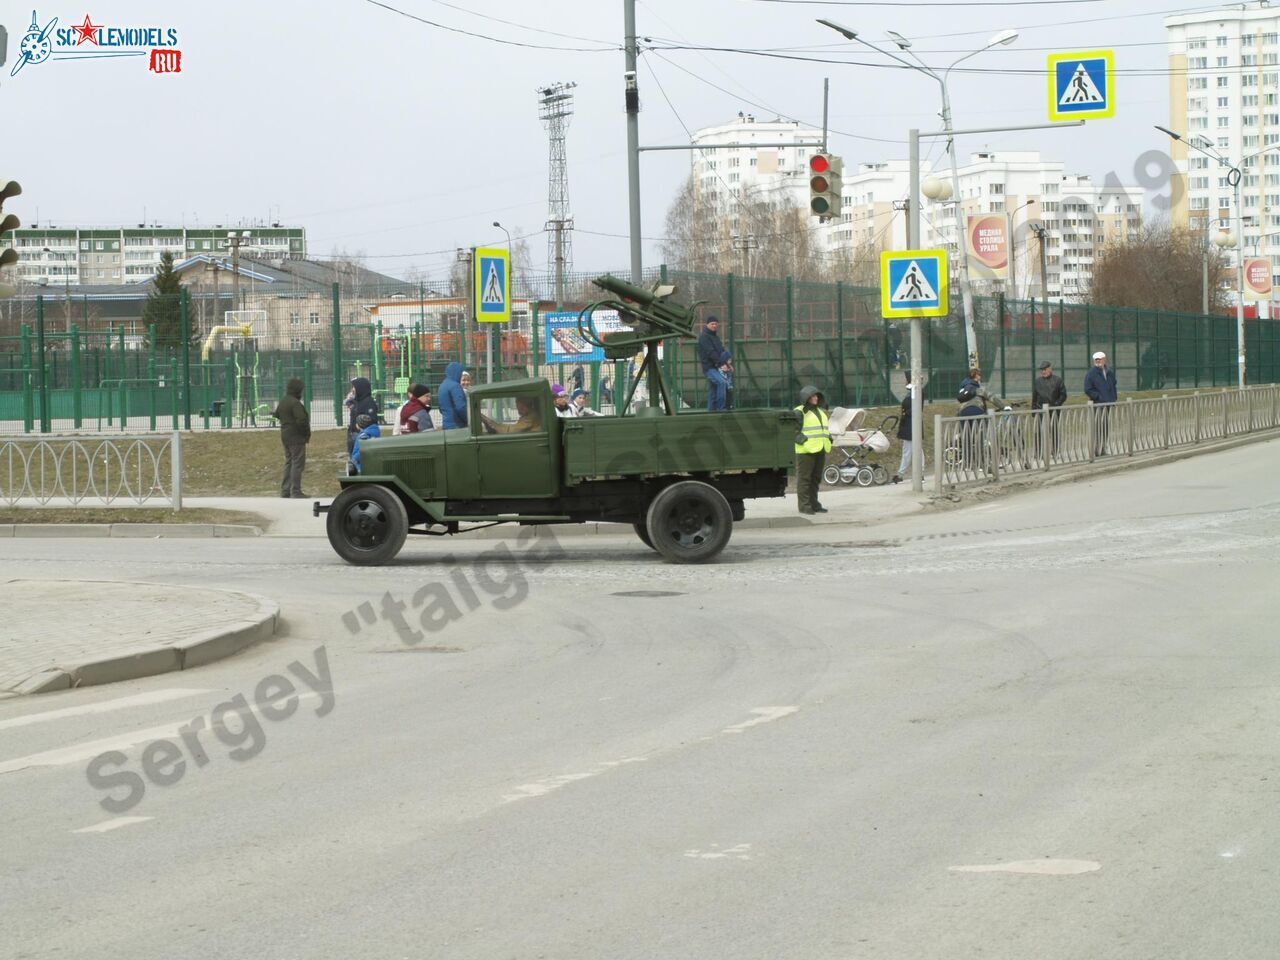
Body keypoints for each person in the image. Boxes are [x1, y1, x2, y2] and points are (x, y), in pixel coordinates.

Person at [793, 384, 832, 515]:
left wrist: (829, 438)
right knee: (804, 479)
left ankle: (814, 504)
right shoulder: (799, 412)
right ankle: (804, 506)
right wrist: (803, 441)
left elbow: (823, 429)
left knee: (815, 479)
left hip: (820, 449)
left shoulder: (821, 412)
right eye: (812, 396)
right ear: (806, 398)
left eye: (816, 396)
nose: (815, 398)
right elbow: (794, 430)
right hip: (806, 451)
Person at [272, 377, 311, 498]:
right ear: (298, 390)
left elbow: (277, 414)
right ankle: (296, 491)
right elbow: (302, 420)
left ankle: (285, 490)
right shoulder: (295, 403)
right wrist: (306, 433)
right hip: (296, 436)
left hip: (285, 435)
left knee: (289, 462)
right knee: (297, 463)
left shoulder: (284, 401)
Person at [1031, 360, 1067, 459]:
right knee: (1038, 432)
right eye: (1042, 370)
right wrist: (1033, 410)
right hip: (1040, 411)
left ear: (1050, 369)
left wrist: (1056, 405)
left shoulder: (1058, 380)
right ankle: (1038, 453)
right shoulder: (1037, 381)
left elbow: (1063, 395)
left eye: (1045, 369)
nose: (1043, 371)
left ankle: (1055, 452)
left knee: (1054, 431)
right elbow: (1034, 396)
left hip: (1053, 411)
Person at [1084, 350, 1118, 455]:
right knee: (1097, 426)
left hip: (1107, 404)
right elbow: (1088, 389)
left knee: (1104, 426)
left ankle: (1103, 448)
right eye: (1096, 360)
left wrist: (1113, 397)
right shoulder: (1091, 374)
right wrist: (1099, 397)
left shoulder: (1109, 372)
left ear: (1104, 360)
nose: (1098, 361)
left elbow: (1113, 384)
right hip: (1097, 404)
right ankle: (1096, 449)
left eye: (1100, 359)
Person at [697, 315, 733, 412]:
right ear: (707, 325)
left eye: (716, 324)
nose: (714, 326)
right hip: (709, 368)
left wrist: (728, 365)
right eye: (712, 324)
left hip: (716, 366)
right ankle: (721, 408)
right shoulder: (704, 337)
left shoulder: (715, 337)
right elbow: (711, 353)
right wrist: (722, 364)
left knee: (713, 389)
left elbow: (721, 351)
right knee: (722, 382)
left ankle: (711, 410)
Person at [892, 371, 921, 483]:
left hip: (910, 426)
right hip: (911, 425)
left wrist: (905, 414)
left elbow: (911, 409)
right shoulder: (914, 393)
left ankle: (901, 474)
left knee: (908, 451)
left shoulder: (914, 394)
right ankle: (919, 473)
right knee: (916, 450)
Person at [346, 377, 378, 455]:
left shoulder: (369, 402)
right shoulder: (357, 400)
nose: (352, 390)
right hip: (353, 435)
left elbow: (371, 420)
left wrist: (360, 426)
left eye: (354, 387)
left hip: (362, 437)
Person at [438, 361, 468, 429]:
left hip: (446, 425)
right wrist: (468, 420)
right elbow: (461, 407)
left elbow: (440, 408)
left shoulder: (442, 385)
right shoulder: (455, 386)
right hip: (457, 425)